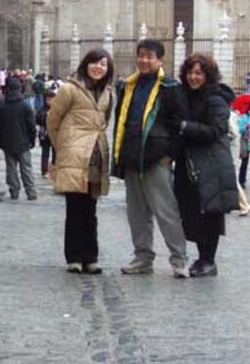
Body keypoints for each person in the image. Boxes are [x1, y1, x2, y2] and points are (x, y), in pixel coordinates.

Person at [112, 39, 189, 278]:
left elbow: (180, 126)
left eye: (149, 56)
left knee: (166, 212)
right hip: (133, 157)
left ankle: (179, 259)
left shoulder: (170, 88)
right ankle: (143, 257)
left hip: (157, 159)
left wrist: (169, 156)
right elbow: (120, 123)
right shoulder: (127, 87)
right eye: (141, 55)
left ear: (160, 60)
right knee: (137, 214)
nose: (144, 60)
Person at [47, 49, 113, 275]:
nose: (98, 67)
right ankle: (74, 257)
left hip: (95, 157)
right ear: (86, 64)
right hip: (74, 156)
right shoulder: (69, 90)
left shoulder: (108, 93)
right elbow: (53, 121)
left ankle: (91, 257)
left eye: (103, 64)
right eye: (94, 63)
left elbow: (104, 121)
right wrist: (64, 147)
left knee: (91, 210)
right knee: (74, 208)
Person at [174, 54, 239, 277]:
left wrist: (184, 126)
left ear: (208, 75)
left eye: (199, 73)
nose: (193, 77)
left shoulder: (215, 98)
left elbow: (216, 130)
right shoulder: (187, 95)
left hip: (211, 163)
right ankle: (203, 258)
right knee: (194, 211)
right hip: (192, 162)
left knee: (210, 212)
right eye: (190, 72)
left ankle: (208, 261)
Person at [0, 77, 37, 201]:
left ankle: (14, 191)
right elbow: (31, 125)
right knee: (26, 168)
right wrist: (32, 139)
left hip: (7, 142)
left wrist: (0, 141)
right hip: (23, 141)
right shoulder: (25, 105)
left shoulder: (2, 106)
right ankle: (31, 191)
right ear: (19, 88)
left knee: (11, 168)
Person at [36, 89, 57, 177]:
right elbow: (37, 120)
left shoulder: (58, 109)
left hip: (55, 134)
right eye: (48, 99)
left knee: (55, 153)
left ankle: (54, 169)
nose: (50, 101)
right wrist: (45, 116)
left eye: (52, 99)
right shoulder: (42, 109)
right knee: (45, 153)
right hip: (44, 134)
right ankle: (44, 171)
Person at [238, 104, 250, 189]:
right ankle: (241, 181)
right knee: (244, 163)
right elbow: (240, 129)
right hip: (246, 143)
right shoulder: (244, 117)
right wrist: (246, 127)